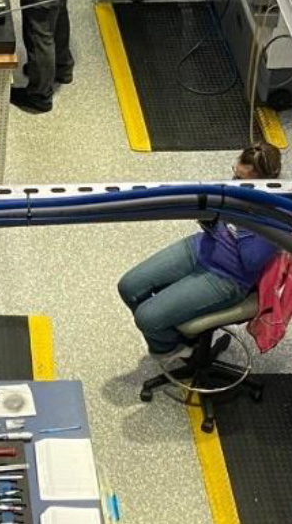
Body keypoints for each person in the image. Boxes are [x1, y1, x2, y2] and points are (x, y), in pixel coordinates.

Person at [117, 143, 283, 363]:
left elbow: (252, 260)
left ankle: (172, 348)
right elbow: (217, 221)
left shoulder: (278, 213)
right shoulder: (237, 189)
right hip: (201, 247)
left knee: (147, 318)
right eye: (235, 176)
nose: (235, 184)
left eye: (242, 181)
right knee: (129, 286)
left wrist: (238, 217)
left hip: (228, 278)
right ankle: (175, 334)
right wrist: (209, 218)